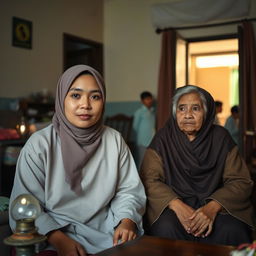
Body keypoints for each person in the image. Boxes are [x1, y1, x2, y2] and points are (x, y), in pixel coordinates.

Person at [9, 65, 146, 256]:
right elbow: (25, 204)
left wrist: (126, 221)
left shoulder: (114, 140)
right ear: (61, 99)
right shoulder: (40, 144)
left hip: (105, 232)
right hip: (51, 234)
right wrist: (58, 239)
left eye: (95, 96)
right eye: (75, 95)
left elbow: (128, 190)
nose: (86, 105)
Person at [140, 85, 255, 246]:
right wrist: (176, 205)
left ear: (206, 113)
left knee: (232, 229)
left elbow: (240, 181)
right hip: (173, 204)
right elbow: (149, 179)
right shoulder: (163, 139)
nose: (188, 115)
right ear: (175, 113)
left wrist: (213, 207)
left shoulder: (221, 138)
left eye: (195, 108)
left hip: (218, 203)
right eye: (181, 109)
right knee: (165, 228)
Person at [133, 91, 155, 168]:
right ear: (142, 101)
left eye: (150, 99)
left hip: (151, 139)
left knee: (151, 160)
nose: (149, 101)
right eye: (147, 99)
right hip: (142, 141)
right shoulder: (139, 112)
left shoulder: (152, 111)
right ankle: (140, 178)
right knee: (142, 160)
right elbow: (135, 126)